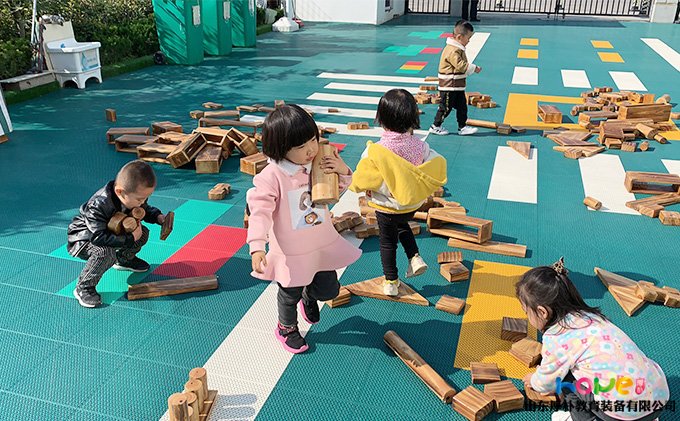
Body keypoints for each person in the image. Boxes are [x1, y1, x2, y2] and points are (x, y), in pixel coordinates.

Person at [246, 104, 361, 354]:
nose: (310, 149)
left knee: (329, 289)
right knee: (289, 294)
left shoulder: (317, 163)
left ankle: (309, 297)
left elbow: (334, 193)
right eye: (300, 146)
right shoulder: (272, 177)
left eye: (313, 140)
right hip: (292, 251)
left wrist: (343, 172)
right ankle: (286, 327)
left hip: (320, 243)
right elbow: (259, 212)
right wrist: (257, 246)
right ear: (281, 149)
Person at [517, 258, 669, 421]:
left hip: (621, 412)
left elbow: (547, 382)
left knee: (567, 379)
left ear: (542, 312)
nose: (527, 317)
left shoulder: (557, 337)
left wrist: (534, 380)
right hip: (658, 397)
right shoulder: (591, 317)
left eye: (527, 312)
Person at [350, 89, 447, 296]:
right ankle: (415, 256)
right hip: (410, 205)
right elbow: (432, 165)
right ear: (413, 116)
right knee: (403, 225)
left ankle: (391, 282)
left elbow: (362, 178)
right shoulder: (421, 147)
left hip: (386, 207)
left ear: (381, 119)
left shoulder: (375, 150)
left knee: (387, 242)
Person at [67, 160, 166, 308]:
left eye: (145, 198)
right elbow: (98, 237)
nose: (143, 201)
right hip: (85, 238)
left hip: (112, 232)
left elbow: (144, 209)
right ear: (120, 191)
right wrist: (130, 238)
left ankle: (124, 259)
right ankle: (84, 286)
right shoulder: (99, 204)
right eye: (140, 199)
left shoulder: (130, 195)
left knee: (143, 233)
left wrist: (157, 217)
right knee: (105, 253)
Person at [429, 20, 482, 137]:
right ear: (459, 37)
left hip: (456, 86)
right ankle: (435, 126)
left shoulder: (457, 48)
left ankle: (462, 126)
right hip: (449, 86)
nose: (469, 41)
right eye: (468, 38)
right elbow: (461, 65)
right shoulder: (453, 50)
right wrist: (474, 68)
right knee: (445, 107)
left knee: (462, 106)